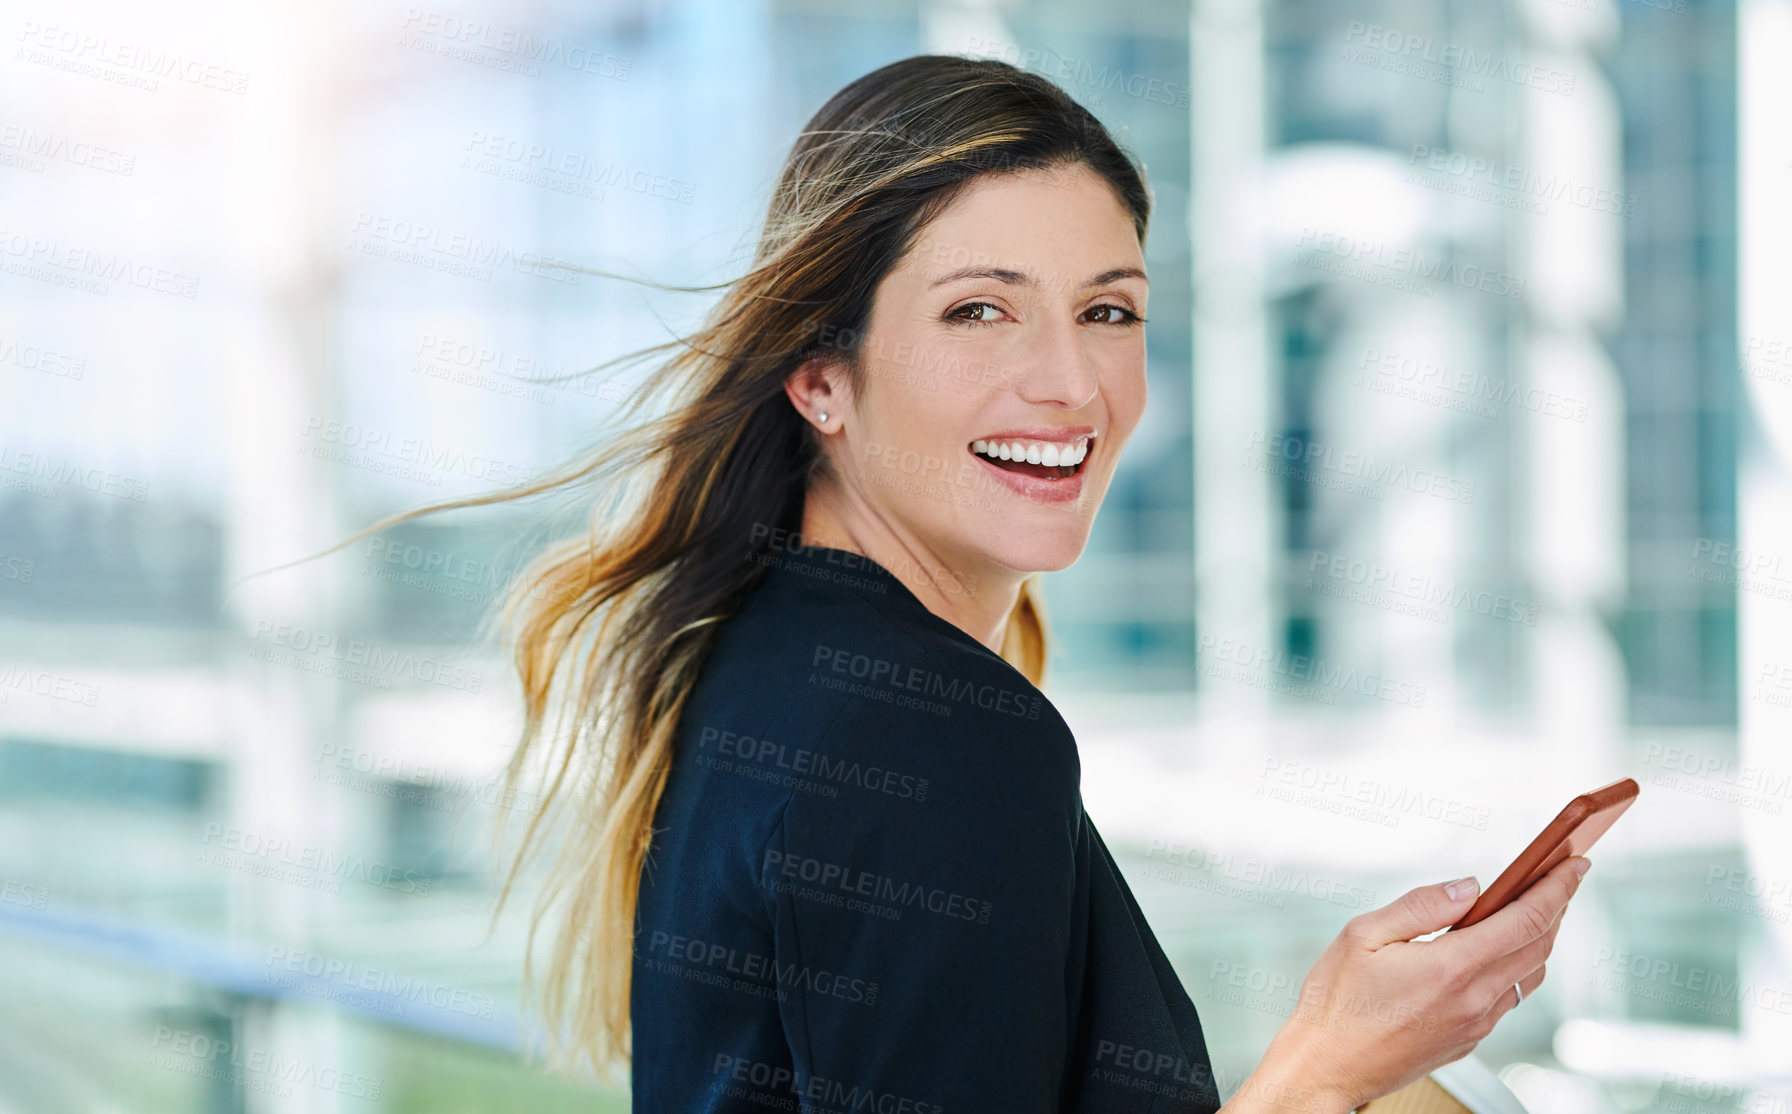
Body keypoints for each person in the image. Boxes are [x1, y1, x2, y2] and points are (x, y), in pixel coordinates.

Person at [344, 53, 1589, 1113]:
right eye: (979, 312)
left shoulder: (765, 656)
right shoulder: (934, 729)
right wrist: (1326, 1063)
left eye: (1108, 312)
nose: (1068, 382)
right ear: (820, 378)